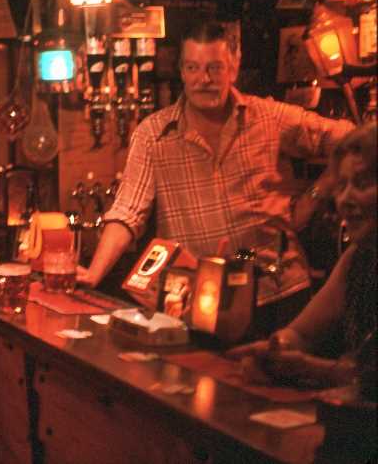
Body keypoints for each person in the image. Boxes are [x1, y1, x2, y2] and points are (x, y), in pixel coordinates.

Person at [77, 20, 354, 334]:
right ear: (182, 72)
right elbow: (127, 212)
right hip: (199, 301)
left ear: (233, 68)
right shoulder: (153, 135)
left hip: (277, 293)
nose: (203, 79)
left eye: (214, 68)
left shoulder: (270, 117)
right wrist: (94, 273)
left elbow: (353, 139)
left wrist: (319, 191)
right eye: (193, 68)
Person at [227, 122, 376, 397]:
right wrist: (277, 348)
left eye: (362, 184)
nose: (345, 199)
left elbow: (369, 378)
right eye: (341, 186)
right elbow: (303, 334)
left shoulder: (267, 118)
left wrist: (310, 369)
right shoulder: (359, 257)